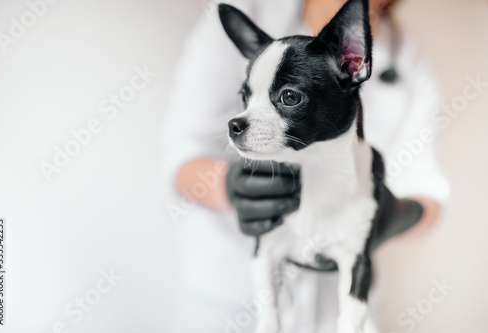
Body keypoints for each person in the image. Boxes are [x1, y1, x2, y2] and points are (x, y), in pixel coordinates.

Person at [161, 0, 450, 331]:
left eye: (288, 97)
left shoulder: (407, 54)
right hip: (232, 296)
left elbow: (427, 186)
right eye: (247, 97)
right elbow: (183, 151)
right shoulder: (254, 9)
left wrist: (396, 216)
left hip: (340, 303)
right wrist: (229, 188)